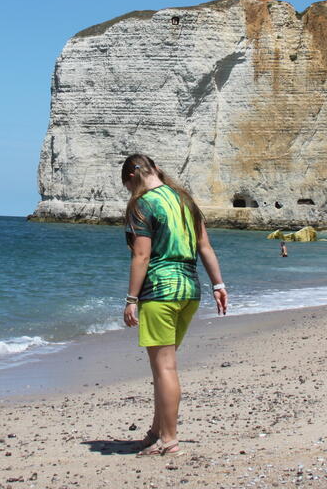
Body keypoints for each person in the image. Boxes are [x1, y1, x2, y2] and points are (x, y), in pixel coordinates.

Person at [120, 154, 227, 457]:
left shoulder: (142, 204)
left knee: (164, 368)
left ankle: (169, 440)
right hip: (190, 292)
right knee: (164, 367)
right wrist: (219, 285)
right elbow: (205, 246)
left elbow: (141, 257)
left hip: (160, 293)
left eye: (127, 187)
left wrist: (130, 299)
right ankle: (157, 432)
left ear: (132, 178)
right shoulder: (185, 200)